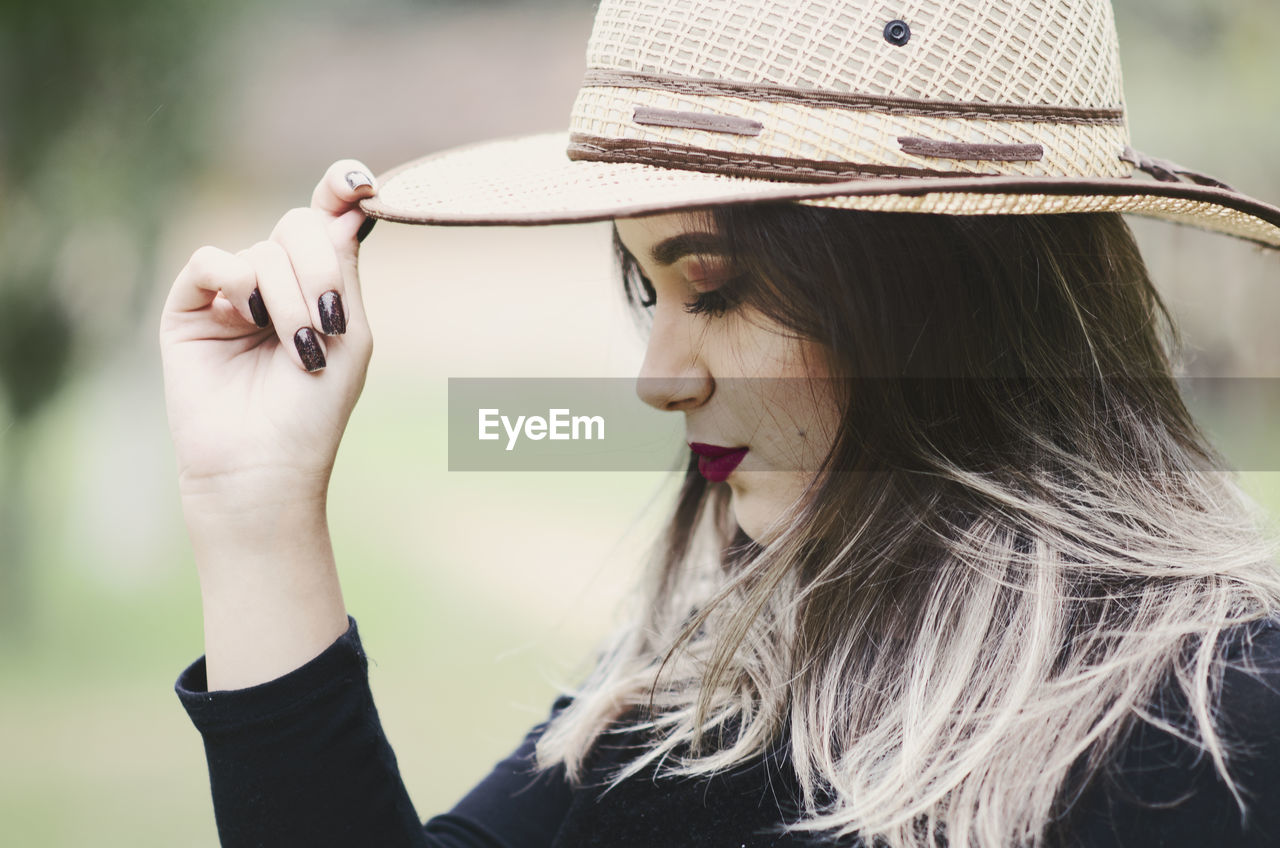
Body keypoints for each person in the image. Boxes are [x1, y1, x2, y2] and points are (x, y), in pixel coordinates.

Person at [159, 1, 1280, 846]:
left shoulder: (1227, 727)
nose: (657, 378)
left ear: (935, 293)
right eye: (649, 289)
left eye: (716, 289)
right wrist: (253, 506)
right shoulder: (696, 694)